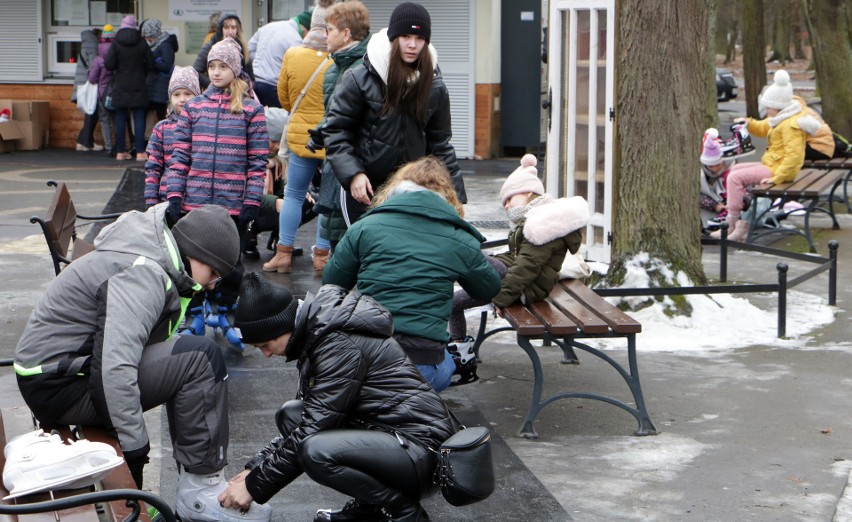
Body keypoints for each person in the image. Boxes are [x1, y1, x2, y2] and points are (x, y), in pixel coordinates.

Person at [13, 204, 270, 521]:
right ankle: (200, 494)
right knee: (201, 358)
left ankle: (200, 485)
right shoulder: (144, 272)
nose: (213, 284)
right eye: (215, 273)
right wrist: (135, 452)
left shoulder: (147, 258)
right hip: (60, 386)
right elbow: (114, 367)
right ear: (197, 255)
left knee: (190, 354)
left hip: (59, 375)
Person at [220, 274, 460, 521]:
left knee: (315, 450)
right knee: (291, 414)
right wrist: (256, 467)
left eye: (265, 345)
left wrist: (253, 487)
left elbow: (311, 430)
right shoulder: (317, 333)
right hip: (399, 440)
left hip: (423, 451)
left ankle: (404, 512)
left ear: (283, 327)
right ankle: (370, 508)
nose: (267, 355)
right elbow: (307, 419)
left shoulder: (337, 344)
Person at [322, 156, 501, 392]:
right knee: (451, 359)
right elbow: (488, 289)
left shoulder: (364, 228)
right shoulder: (459, 238)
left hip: (365, 358)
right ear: (446, 196)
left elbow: (332, 283)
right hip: (422, 365)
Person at [166, 37, 268, 352]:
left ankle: (227, 313)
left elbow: (257, 162)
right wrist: (174, 195)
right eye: (212, 65)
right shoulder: (194, 107)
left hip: (232, 204)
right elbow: (180, 156)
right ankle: (195, 313)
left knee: (231, 264)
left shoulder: (251, 110)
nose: (216, 72)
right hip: (195, 201)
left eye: (223, 66)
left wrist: (251, 201)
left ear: (235, 69)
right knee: (191, 263)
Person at [322, 2, 465, 226]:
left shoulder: (434, 86)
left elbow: (440, 145)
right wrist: (354, 175)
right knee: (367, 253)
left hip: (413, 189)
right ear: (393, 37)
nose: (412, 45)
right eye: (405, 36)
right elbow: (336, 131)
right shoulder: (359, 78)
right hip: (365, 187)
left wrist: (456, 197)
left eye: (419, 39)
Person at [448, 155, 588, 363]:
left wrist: (502, 299)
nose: (505, 205)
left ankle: (446, 263)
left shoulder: (543, 224)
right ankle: (459, 351)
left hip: (526, 287)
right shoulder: (529, 219)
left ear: (528, 192)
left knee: (470, 258)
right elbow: (517, 258)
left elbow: (526, 267)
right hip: (514, 281)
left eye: (509, 199)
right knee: (454, 302)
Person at [262, 2, 332, 274]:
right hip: (331, 139)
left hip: (301, 136)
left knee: (293, 195)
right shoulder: (339, 58)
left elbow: (284, 97)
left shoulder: (293, 54)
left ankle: (283, 255)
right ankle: (322, 258)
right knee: (327, 197)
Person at [715, 69, 809, 242]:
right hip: (773, 166)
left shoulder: (790, 125)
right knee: (735, 169)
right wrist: (749, 123)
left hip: (778, 171)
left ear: (779, 106)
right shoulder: (780, 118)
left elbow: (794, 157)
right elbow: (763, 126)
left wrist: (778, 177)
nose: (766, 110)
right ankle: (743, 219)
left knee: (735, 177)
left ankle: (733, 222)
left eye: (768, 107)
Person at [309, 0, 372, 252]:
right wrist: (322, 130)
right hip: (336, 164)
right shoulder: (336, 67)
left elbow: (353, 118)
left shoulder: (361, 68)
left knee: (351, 241)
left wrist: (326, 130)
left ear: (346, 34)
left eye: (330, 29)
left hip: (353, 167)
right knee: (337, 235)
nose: (325, 35)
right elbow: (336, 114)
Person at [144, 67, 200, 207]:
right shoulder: (162, 128)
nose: (182, 99)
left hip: (198, 198)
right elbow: (153, 167)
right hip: (167, 197)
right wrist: (151, 200)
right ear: (170, 98)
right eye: (176, 94)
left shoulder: (203, 126)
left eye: (188, 93)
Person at [105, 15, 154, 161]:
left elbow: (108, 65)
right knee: (139, 117)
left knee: (120, 117)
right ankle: (140, 153)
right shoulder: (142, 42)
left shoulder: (116, 43)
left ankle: (120, 152)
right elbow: (151, 64)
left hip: (120, 84)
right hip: (139, 83)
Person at [247, 10, 309, 107]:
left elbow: (249, 49)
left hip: (254, 83)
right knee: (278, 120)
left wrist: (261, 63)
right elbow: (296, 69)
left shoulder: (267, 26)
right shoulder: (296, 39)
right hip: (273, 87)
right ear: (304, 28)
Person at [193, 14, 253, 89]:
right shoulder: (210, 47)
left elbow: (250, 76)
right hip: (215, 94)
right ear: (220, 29)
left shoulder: (242, 48)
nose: (230, 32)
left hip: (239, 93)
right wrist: (215, 85)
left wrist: (248, 89)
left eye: (233, 27)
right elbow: (196, 72)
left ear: (238, 29)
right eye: (226, 27)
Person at [140, 18, 178, 122]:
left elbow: (166, 65)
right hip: (154, 87)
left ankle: (164, 137)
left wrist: (150, 61)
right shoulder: (156, 44)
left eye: (149, 36)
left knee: (162, 117)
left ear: (154, 34)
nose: (147, 39)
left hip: (160, 87)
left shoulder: (165, 45)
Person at [72, 27, 102, 152]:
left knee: (91, 113)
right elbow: (95, 67)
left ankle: (85, 141)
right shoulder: (93, 46)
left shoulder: (86, 44)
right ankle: (85, 142)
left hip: (82, 83)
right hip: (89, 84)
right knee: (92, 113)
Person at [87, 24, 115, 156]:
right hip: (117, 93)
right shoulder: (117, 58)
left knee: (105, 121)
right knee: (117, 120)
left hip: (102, 94)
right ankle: (121, 146)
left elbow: (92, 78)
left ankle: (109, 147)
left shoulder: (98, 60)